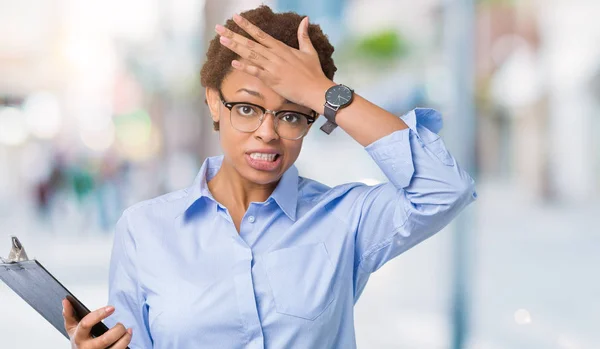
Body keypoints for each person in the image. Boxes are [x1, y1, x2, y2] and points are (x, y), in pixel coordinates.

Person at [63, 5, 476, 349]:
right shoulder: (144, 229)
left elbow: (446, 189)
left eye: (292, 114)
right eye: (247, 108)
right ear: (213, 103)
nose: (267, 131)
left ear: (313, 120)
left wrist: (323, 92)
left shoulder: (345, 219)